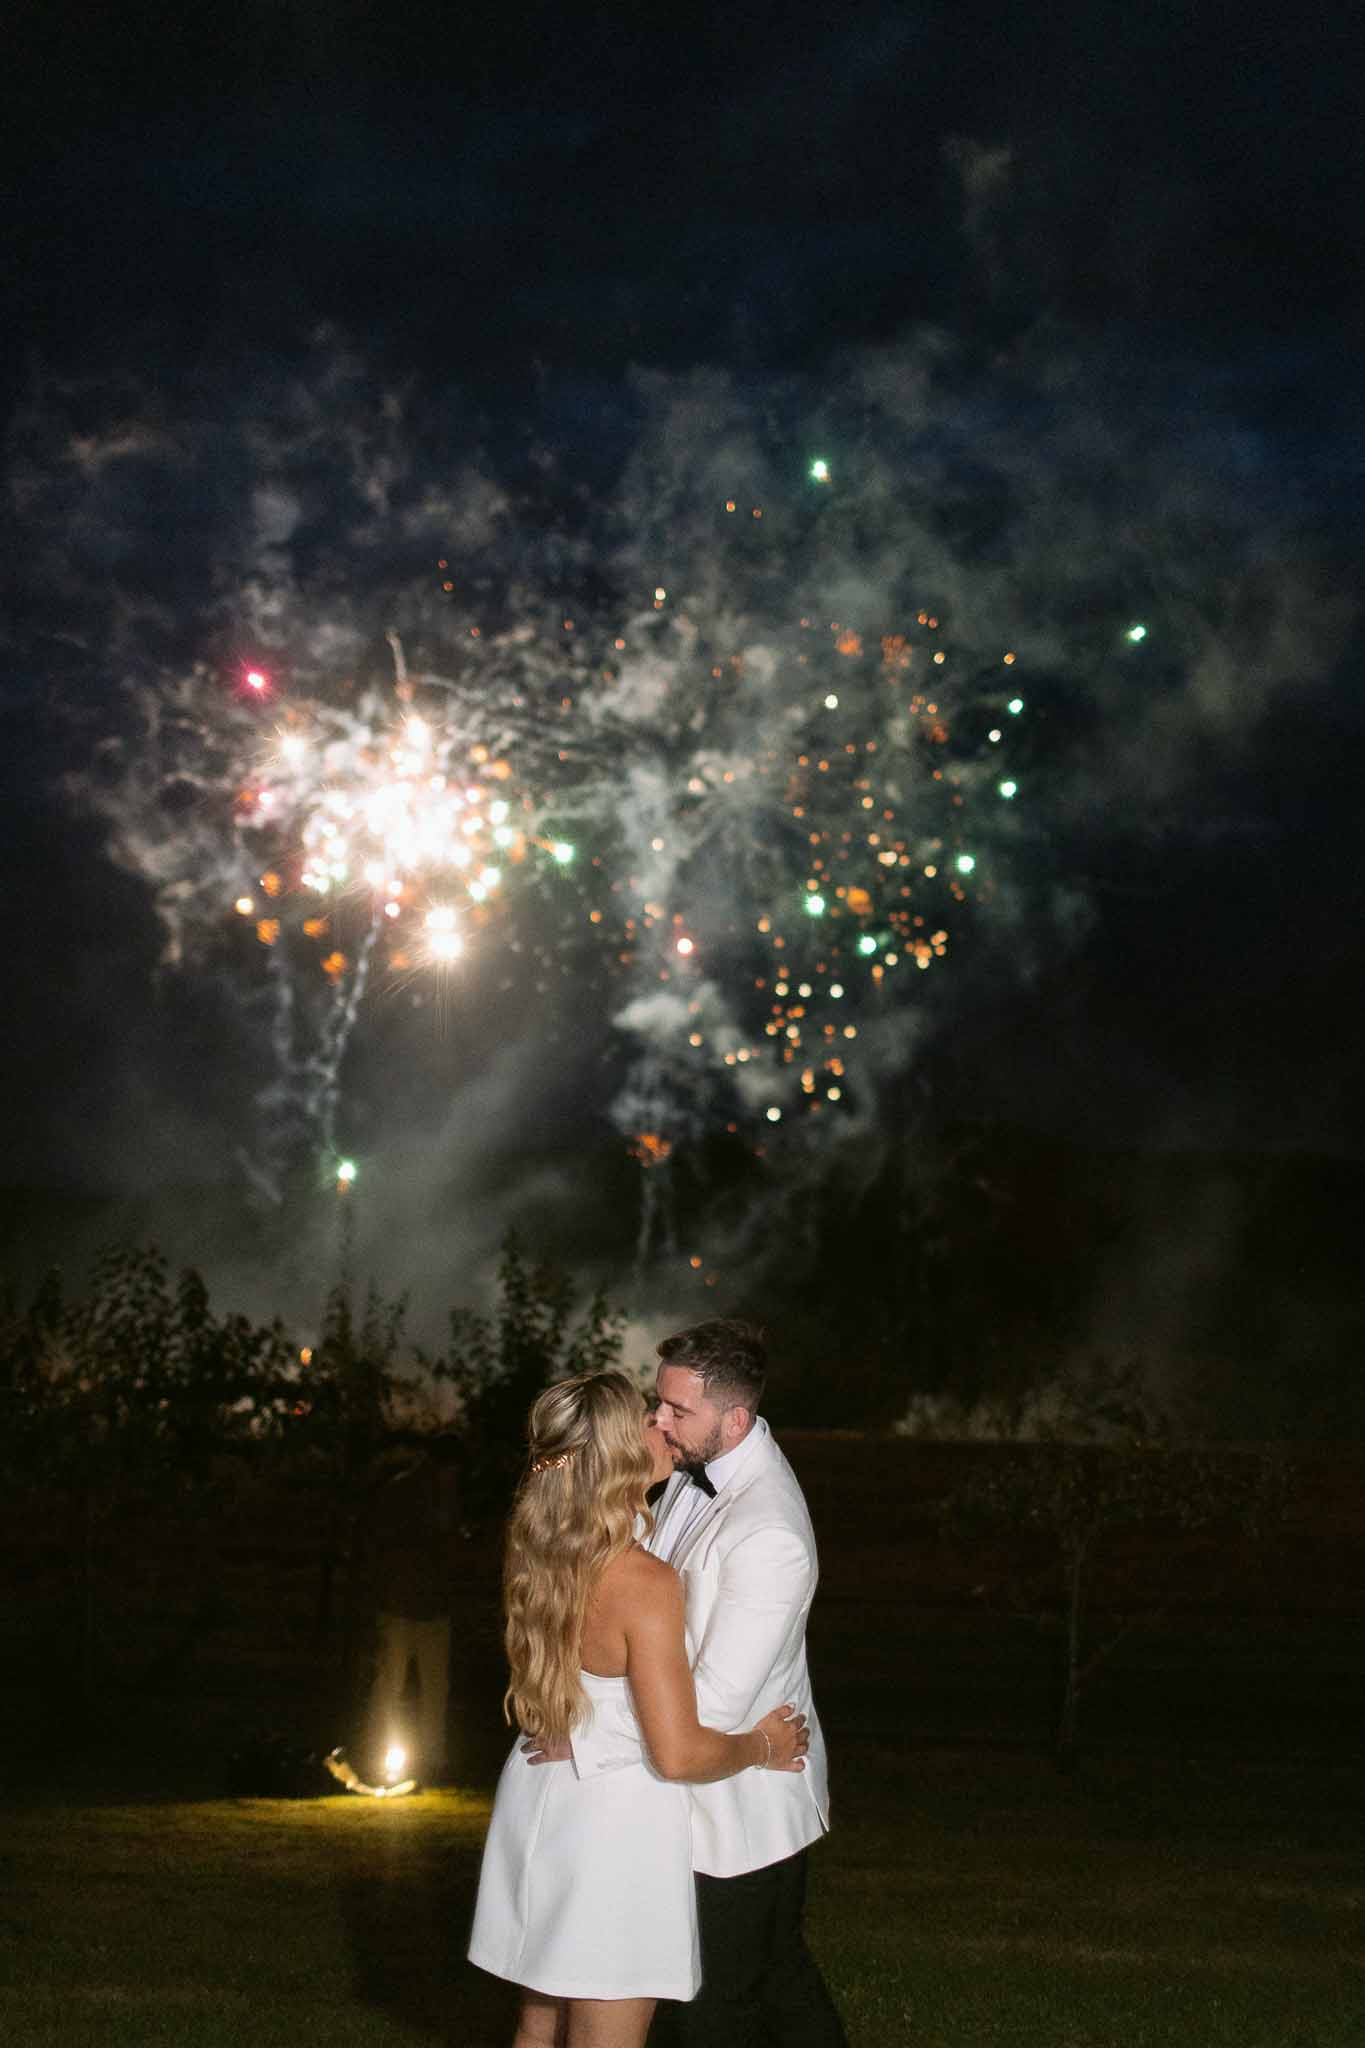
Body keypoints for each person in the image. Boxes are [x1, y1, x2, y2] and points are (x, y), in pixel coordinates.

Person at [467, 1369, 810, 2048]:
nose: (662, 1422)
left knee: (539, 2023)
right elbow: (678, 1753)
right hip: (612, 1828)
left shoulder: (536, 1543)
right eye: (645, 1419)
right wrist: (762, 1746)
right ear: (619, 1454)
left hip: (540, 1793)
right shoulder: (641, 1581)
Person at [547, 1320, 848, 2048]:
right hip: (684, 1784)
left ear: (734, 1418)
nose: (656, 1420)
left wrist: (579, 1729)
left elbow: (712, 1705)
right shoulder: (686, 1466)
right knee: (769, 1979)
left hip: (738, 1806)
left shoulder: (769, 1534)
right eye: (659, 1403)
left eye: (676, 1410)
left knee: (718, 2006)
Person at [366, 1436, 462, 1782]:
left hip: (427, 1606)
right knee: (395, 1683)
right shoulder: (406, 1494)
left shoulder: (438, 1495)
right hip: (403, 1605)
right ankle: (390, 1755)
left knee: (426, 1685)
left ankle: (429, 1758)